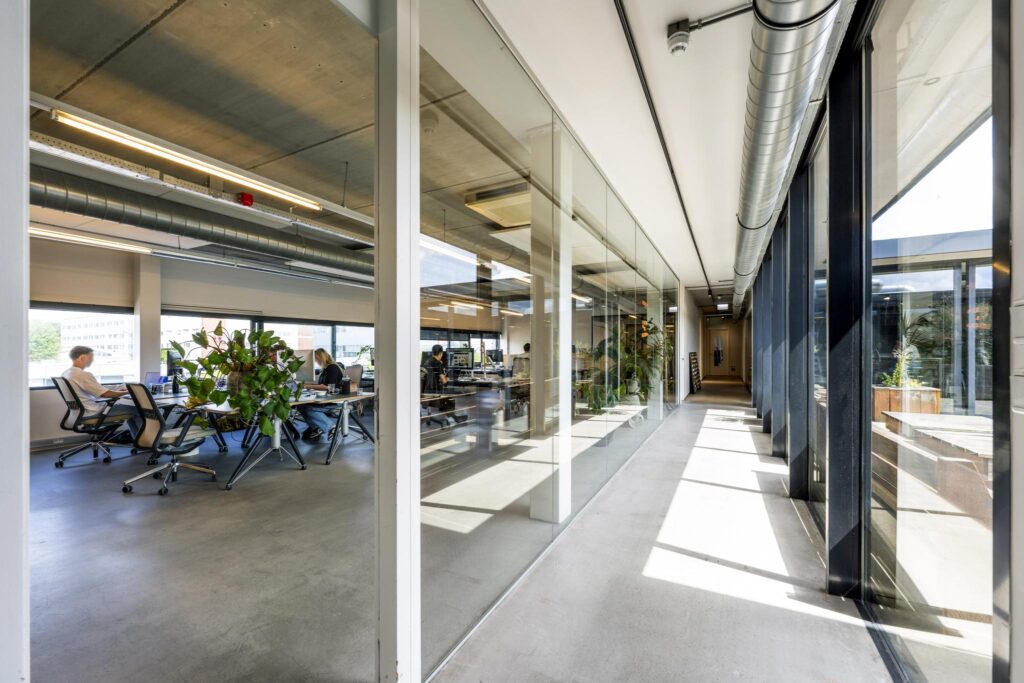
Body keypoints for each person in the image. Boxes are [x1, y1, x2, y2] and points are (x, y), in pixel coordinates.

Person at [62, 345, 138, 426]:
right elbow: (105, 394)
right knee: (139, 409)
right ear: (82, 357)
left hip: (80, 412)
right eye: (91, 357)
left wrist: (118, 389)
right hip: (94, 412)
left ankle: (138, 437)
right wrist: (128, 392)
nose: (92, 360)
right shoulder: (81, 374)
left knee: (133, 411)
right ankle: (145, 438)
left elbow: (98, 388)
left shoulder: (66, 373)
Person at [299, 348, 345, 442]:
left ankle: (331, 427)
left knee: (309, 408)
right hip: (326, 398)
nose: (316, 361)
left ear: (322, 357)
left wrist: (308, 386)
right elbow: (322, 386)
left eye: (317, 358)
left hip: (334, 400)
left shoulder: (332, 368)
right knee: (300, 405)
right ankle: (316, 427)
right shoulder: (326, 369)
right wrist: (307, 386)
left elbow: (328, 387)